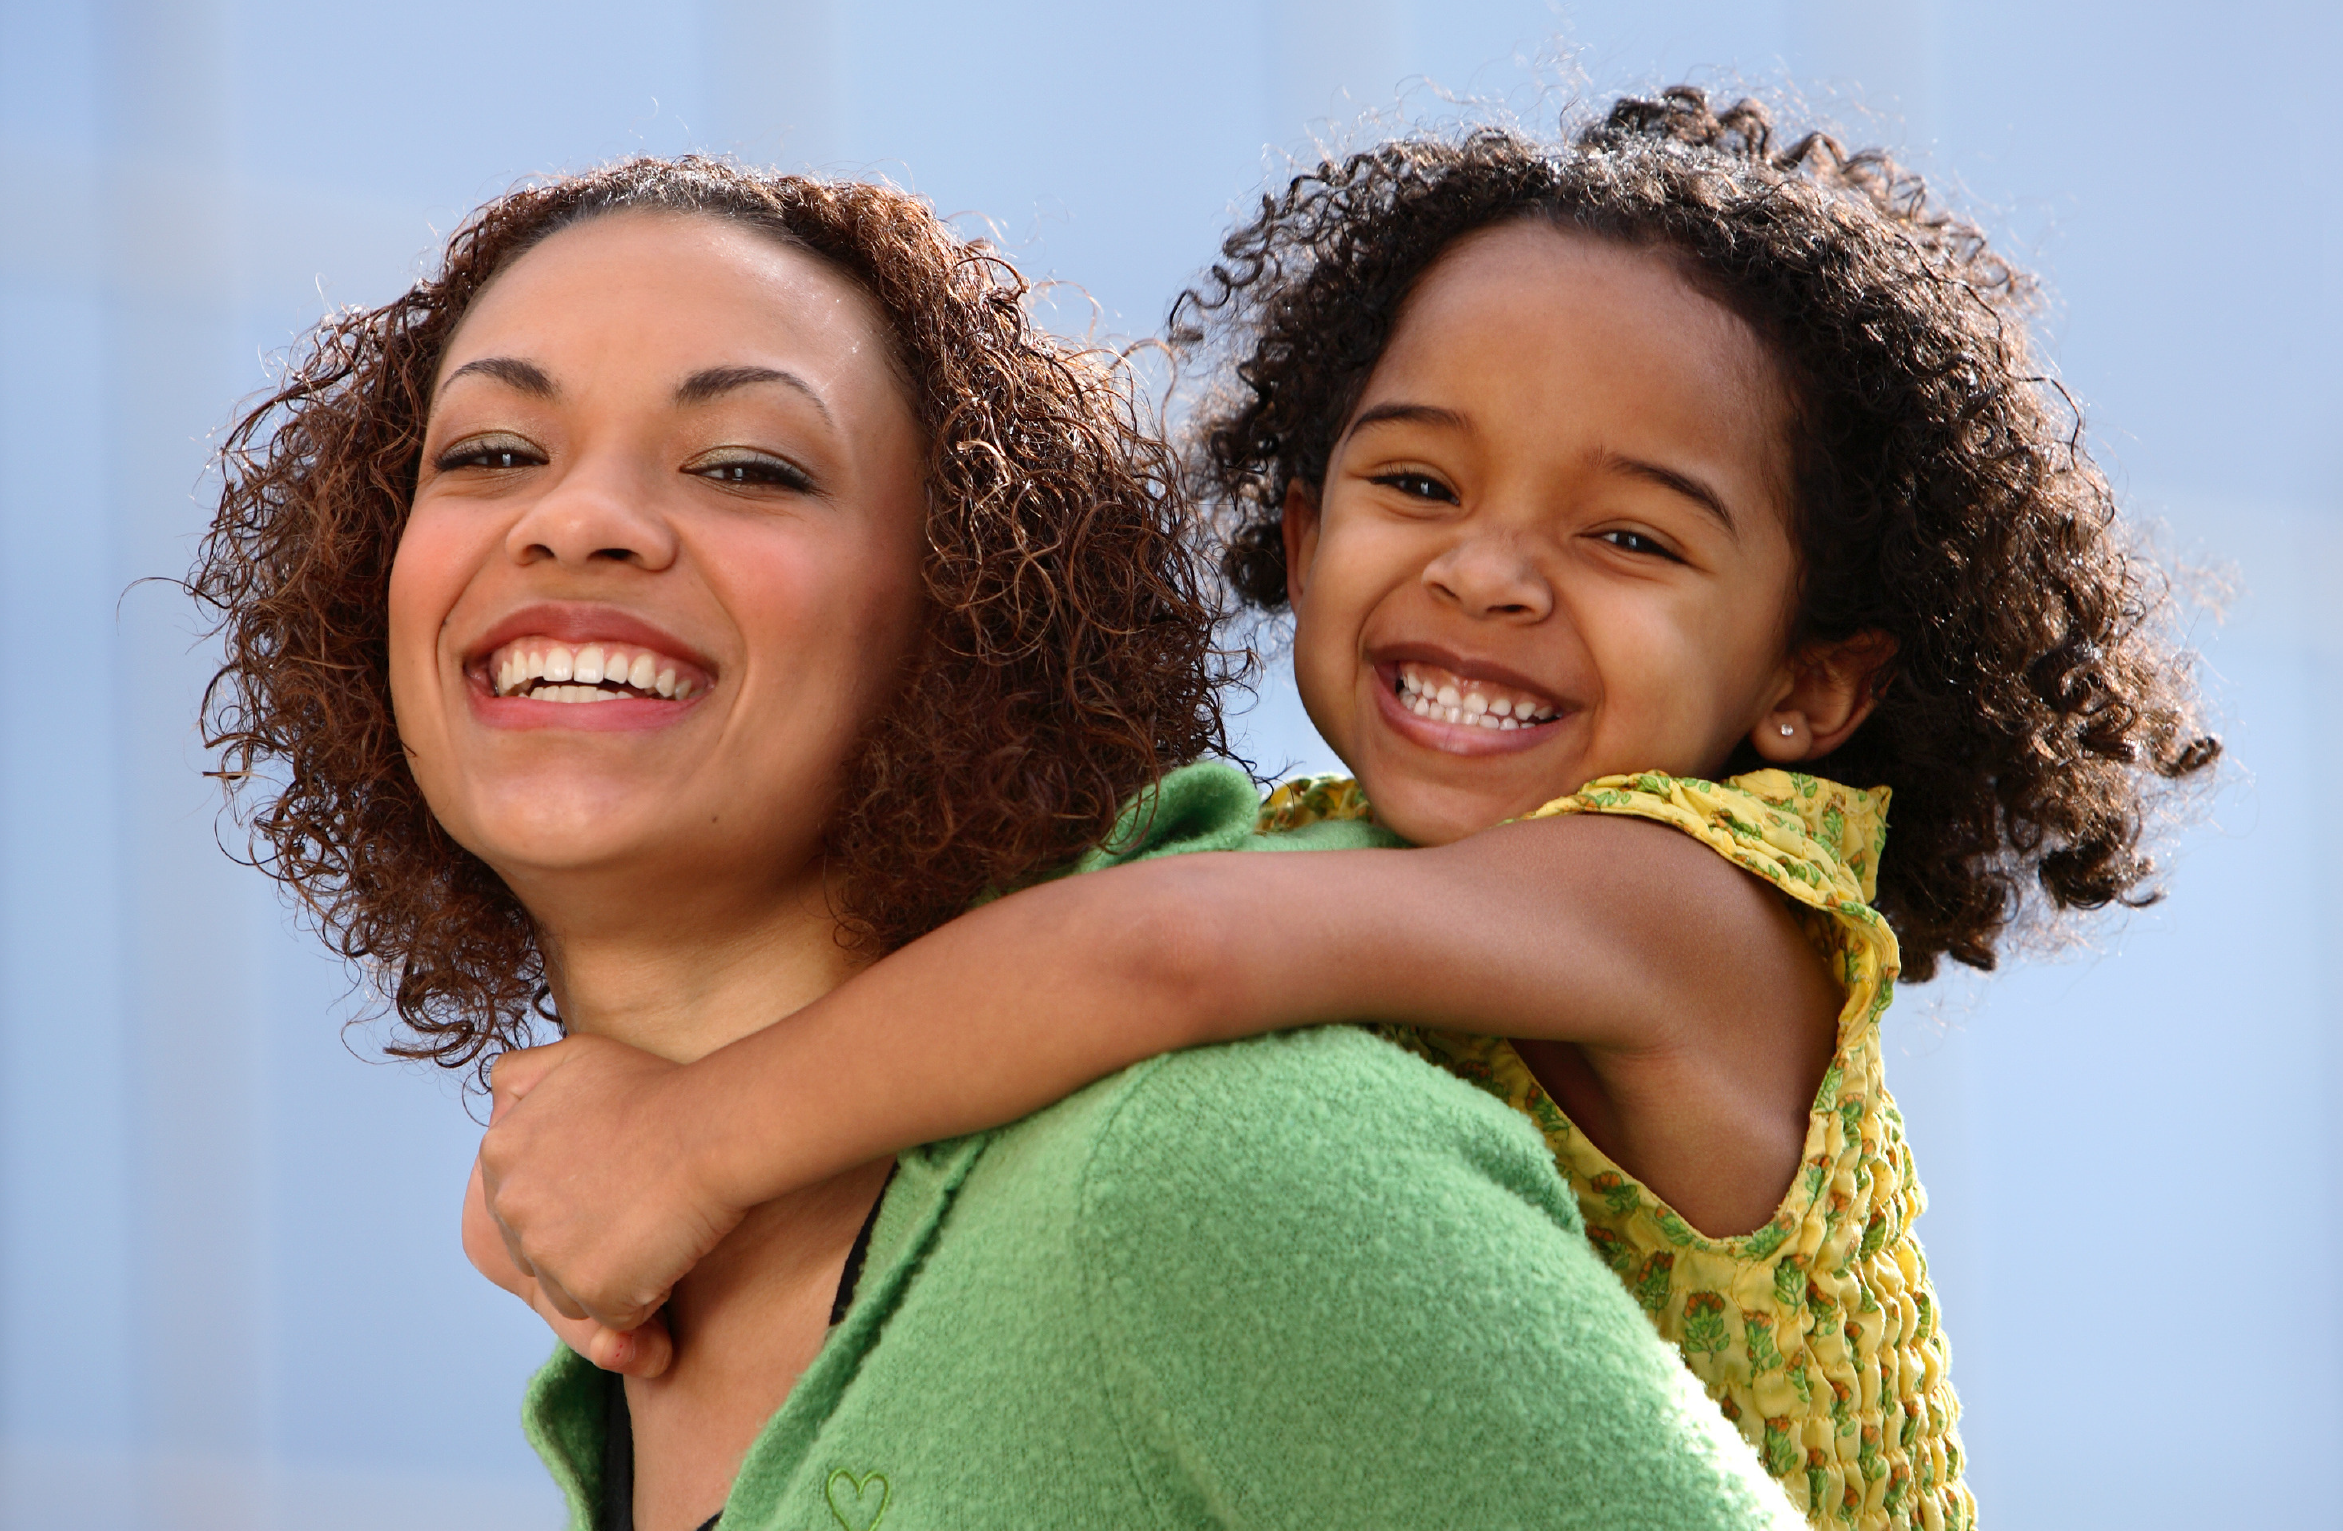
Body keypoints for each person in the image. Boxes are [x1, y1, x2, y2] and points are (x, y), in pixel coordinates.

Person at [469, 93, 2219, 1531]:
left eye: (1629, 537)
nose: (1486, 570)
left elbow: (1150, 959)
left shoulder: (1701, 897)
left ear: (1811, 687)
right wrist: (589, 1190)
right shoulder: (1339, 858)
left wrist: (695, 1143)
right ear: (1300, 540)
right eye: (1415, 482)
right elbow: (1021, 989)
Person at [192, 156, 1798, 1530]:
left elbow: (1170, 944)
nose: (577, 517)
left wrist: (685, 1139)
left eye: (747, 465)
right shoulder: (636, 1314)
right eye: (489, 453)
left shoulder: (1196, 1165)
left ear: (972, 607)